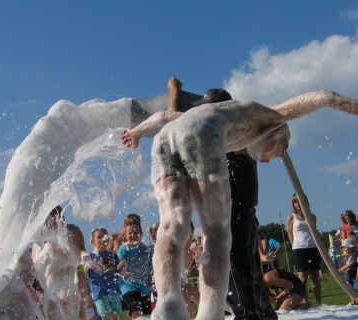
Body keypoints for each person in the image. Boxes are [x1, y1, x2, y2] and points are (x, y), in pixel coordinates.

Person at [122, 89, 358, 320]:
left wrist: (136, 133)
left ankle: (167, 306)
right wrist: (353, 107)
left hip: (164, 138)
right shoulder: (264, 116)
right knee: (216, 230)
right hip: (203, 134)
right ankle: (211, 313)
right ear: (278, 134)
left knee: (171, 226)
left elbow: (162, 118)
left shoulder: (201, 114)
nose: (266, 160)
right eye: (279, 150)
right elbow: (322, 97)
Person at [167, 77, 276, 320]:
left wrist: (174, 94)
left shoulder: (214, 128)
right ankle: (263, 313)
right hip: (246, 206)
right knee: (249, 264)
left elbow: (173, 126)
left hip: (228, 207)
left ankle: (246, 314)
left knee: (233, 263)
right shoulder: (245, 129)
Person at [32, 206, 81, 320]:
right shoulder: (38, 245)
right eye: (52, 219)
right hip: (49, 292)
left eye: (59, 219)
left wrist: (69, 242)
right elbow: (35, 270)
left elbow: (77, 261)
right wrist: (46, 249)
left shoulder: (64, 242)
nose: (55, 223)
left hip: (67, 291)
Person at [287, 194, 322, 306]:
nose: (298, 204)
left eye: (299, 201)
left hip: (312, 247)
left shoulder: (312, 216)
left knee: (315, 277)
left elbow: (314, 232)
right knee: (303, 278)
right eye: (295, 202)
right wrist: (295, 244)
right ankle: (306, 302)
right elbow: (290, 234)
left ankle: (319, 303)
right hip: (298, 248)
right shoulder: (291, 218)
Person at [86, 228, 128, 320]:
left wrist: (124, 266)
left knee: (118, 316)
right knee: (106, 317)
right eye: (99, 237)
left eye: (104, 236)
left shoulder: (113, 255)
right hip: (99, 293)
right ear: (93, 242)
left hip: (114, 291)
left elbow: (120, 273)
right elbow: (84, 272)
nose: (102, 239)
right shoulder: (90, 257)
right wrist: (88, 264)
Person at [118, 222, 153, 319]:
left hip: (144, 288)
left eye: (135, 233)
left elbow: (150, 269)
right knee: (137, 312)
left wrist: (151, 284)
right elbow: (119, 271)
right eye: (130, 233)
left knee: (147, 315)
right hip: (129, 286)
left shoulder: (147, 250)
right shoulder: (124, 250)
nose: (133, 235)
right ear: (125, 236)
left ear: (141, 234)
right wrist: (124, 269)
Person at [339, 238, 358, 305]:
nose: (344, 249)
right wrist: (343, 266)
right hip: (349, 277)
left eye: (346, 247)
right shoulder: (348, 256)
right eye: (343, 247)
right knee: (351, 290)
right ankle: (353, 303)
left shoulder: (355, 254)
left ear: (352, 247)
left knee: (355, 289)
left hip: (354, 276)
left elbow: (352, 263)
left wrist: (343, 267)